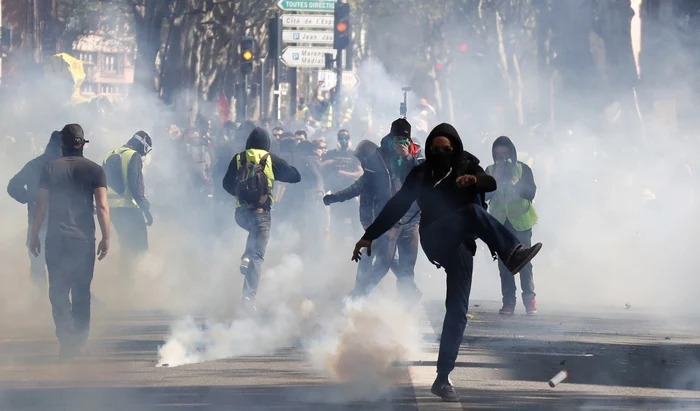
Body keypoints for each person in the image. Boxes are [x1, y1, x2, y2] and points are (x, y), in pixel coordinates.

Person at [351, 123, 542, 402]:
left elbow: (490, 183)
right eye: (436, 149)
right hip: (435, 235)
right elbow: (396, 206)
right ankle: (511, 253)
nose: (441, 153)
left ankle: (442, 378)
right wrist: (368, 236)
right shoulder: (421, 173)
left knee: (458, 310)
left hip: (462, 243)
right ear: (428, 149)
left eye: (447, 149)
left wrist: (474, 181)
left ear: (456, 148)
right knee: (471, 211)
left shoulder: (467, 165)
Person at [28, 124, 110, 359]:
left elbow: (40, 205)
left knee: (58, 292)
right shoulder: (95, 170)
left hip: (56, 240)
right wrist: (106, 237)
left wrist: (33, 235)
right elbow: (103, 206)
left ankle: (66, 341)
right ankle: (80, 340)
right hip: (83, 241)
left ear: (62, 144)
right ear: (82, 144)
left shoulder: (49, 168)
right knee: (82, 291)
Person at [329, 119, 423, 303]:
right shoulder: (380, 156)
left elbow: (424, 177)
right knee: (382, 260)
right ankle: (358, 296)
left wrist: (407, 159)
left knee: (406, 266)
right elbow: (365, 189)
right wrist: (365, 218)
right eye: (396, 138)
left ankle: (408, 301)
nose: (400, 143)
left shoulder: (417, 153)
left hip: (412, 218)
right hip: (389, 216)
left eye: (404, 139)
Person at [222, 128, 301, 312]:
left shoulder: (239, 158)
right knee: (257, 256)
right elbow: (295, 177)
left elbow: (226, 183)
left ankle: (246, 257)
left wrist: (241, 195)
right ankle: (248, 299)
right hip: (261, 213)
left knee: (253, 236)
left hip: (240, 213)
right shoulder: (271, 159)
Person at [485, 136, 539, 315]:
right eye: (498, 155)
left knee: (524, 261)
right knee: (504, 263)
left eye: (505, 155)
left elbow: (531, 193)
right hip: (500, 223)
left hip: (521, 222)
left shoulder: (523, 169)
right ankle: (508, 302)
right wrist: (495, 179)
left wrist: (516, 184)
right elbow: (483, 196)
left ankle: (529, 299)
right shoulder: (490, 170)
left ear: (512, 154)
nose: (502, 159)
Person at [7, 131, 62, 291]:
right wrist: (31, 197)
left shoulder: (35, 164)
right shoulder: (63, 165)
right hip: (53, 225)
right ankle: (53, 302)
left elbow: (13, 186)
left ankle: (40, 303)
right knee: (60, 265)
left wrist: (29, 197)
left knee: (39, 266)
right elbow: (13, 186)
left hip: (40, 224)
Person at [102, 131, 153, 274]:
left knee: (125, 246)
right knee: (140, 248)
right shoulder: (133, 155)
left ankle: (124, 279)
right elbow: (135, 186)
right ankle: (138, 281)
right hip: (129, 208)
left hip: (112, 210)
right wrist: (146, 209)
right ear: (142, 144)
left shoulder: (110, 153)